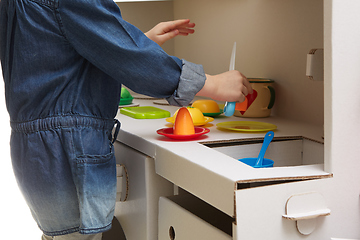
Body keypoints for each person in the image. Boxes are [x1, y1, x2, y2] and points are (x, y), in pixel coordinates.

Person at [0, 0, 252, 239]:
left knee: (58, 234)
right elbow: (123, 56)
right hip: (68, 152)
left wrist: (135, 43)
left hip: (36, 154)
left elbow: (58, 57)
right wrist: (214, 84)